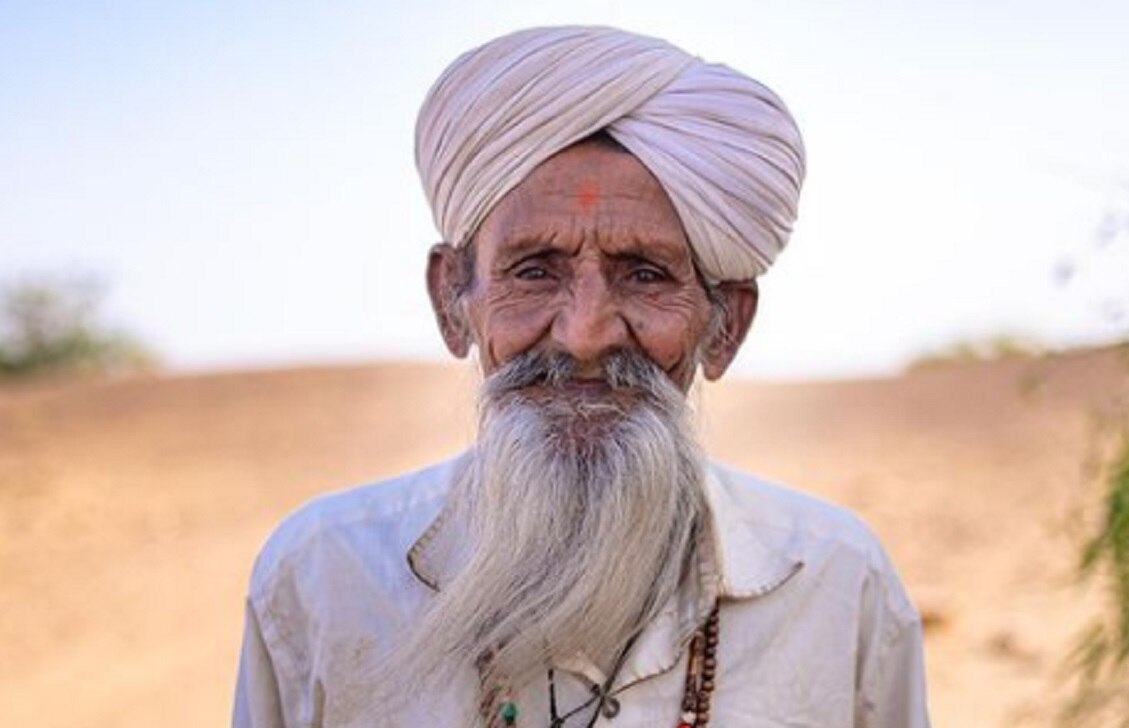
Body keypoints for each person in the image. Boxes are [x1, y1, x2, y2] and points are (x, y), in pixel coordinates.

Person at [233, 25, 930, 728]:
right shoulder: (324, 577)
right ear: (452, 301)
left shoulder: (839, 588)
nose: (585, 334)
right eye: (535, 271)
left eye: (646, 275)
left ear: (726, 327)